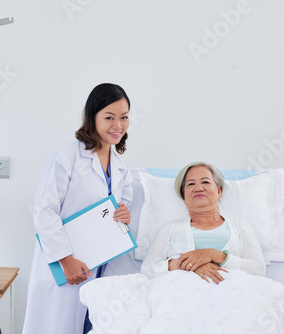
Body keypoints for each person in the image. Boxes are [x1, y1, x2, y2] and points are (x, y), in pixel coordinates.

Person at [22, 83, 134, 334]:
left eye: (124, 117)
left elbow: (122, 209)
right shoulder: (67, 156)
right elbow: (44, 211)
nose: (118, 125)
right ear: (92, 118)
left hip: (101, 267)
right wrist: (66, 259)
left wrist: (125, 215)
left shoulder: (121, 166)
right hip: (65, 265)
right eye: (109, 117)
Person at [141, 162, 266, 283]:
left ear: (219, 191)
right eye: (190, 184)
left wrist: (215, 255)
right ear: (183, 194)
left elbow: (258, 270)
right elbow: (147, 270)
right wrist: (186, 265)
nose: (198, 188)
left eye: (205, 182)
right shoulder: (170, 228)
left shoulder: (241, 227)